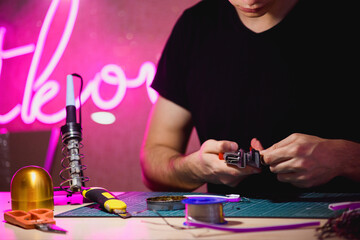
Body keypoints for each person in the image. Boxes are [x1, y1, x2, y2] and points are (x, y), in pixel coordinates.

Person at [140, 0, 360, 194]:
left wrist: (344, 159)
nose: (250, 0)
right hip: (225, 227)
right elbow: (153, 167)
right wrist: (197, 167)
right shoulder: (195, 26)